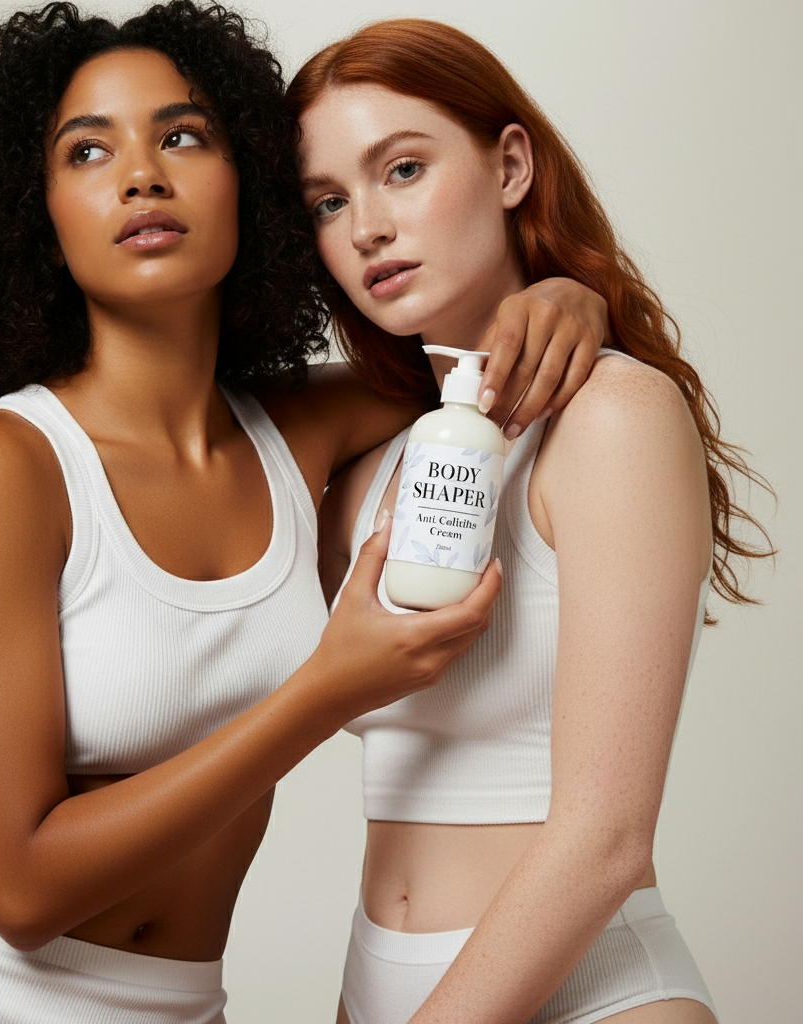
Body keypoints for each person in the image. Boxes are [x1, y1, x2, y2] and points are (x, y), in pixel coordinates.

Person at [0, 4, 609, 1023]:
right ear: (36, 214)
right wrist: (324, 690)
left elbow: (472, 371)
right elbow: (20, 890)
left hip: (177, 1001)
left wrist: (570, 297)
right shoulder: (4, 468)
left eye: (182, 136)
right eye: (87, 151)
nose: (142, 173)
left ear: (253, 191)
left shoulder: (302, 427)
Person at [288, 18, 774, 1024]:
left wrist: (576, 302)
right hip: (375, 986)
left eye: (404, 169)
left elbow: (606, 840)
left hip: (591, 996)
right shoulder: (370, 459)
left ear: (510, 165)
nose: (366, 226)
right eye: (329, 202)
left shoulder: (612, 417)